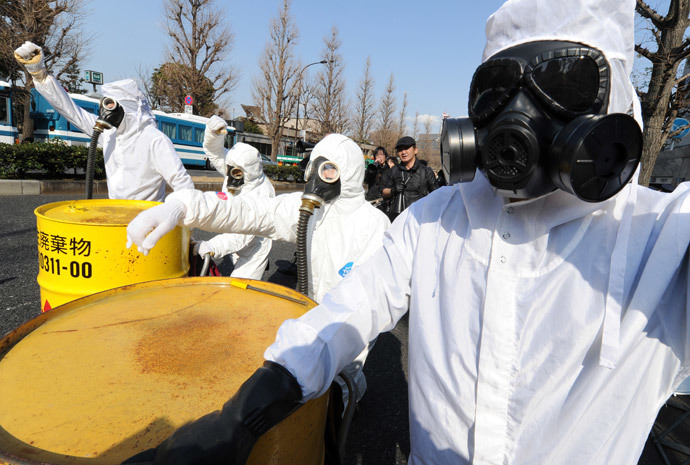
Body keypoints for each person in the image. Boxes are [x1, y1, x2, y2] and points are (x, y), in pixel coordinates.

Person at [123, 1, 690, 464]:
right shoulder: (434, 220)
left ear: (615, 102)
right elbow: (349, 307)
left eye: (563, 83)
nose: (521, 113)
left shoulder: (660, 240)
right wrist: (241, 415)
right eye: (499, 88)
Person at [126, 133, 390, 406]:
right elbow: (248, 211)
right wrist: (184, 206)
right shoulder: (308, 210)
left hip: (344, 333)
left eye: (330, 168)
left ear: (350, 172)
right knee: (307, 401)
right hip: (310, 320)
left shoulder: (373, 226)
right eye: (315, 167)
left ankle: (347, 403)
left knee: (339, 394)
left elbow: (361, 306)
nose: (318, 178)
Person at [13, 42, 194, 202]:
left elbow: (182, 183)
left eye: (111, 105)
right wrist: (40, 75)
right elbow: (70, 110)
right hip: (114, 217)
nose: (107, 112)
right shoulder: (108, 133)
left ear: (128, 109)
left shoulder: (154, 140)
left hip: (148, 222)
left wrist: (185, 232)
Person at [194, 116, 275, 279]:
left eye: (236, 172)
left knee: (241, 289)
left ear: (249, 172)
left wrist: (213, 246)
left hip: (254, 247)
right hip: (233, 235)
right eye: (230, 169)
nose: (231, 176)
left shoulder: (263, 193)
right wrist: (213, 134)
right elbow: (215, 153)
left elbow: (245, 233)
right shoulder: (236, 169)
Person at [381, 135, 439, 221]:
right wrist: (393, 190)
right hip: (397, 219)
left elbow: (436, 196)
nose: (403, 152)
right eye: (400, 149)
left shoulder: (426, 171)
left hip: (419, 219)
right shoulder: (393, 171)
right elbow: (383, 191)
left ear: (415, 150)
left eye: (406, 148)